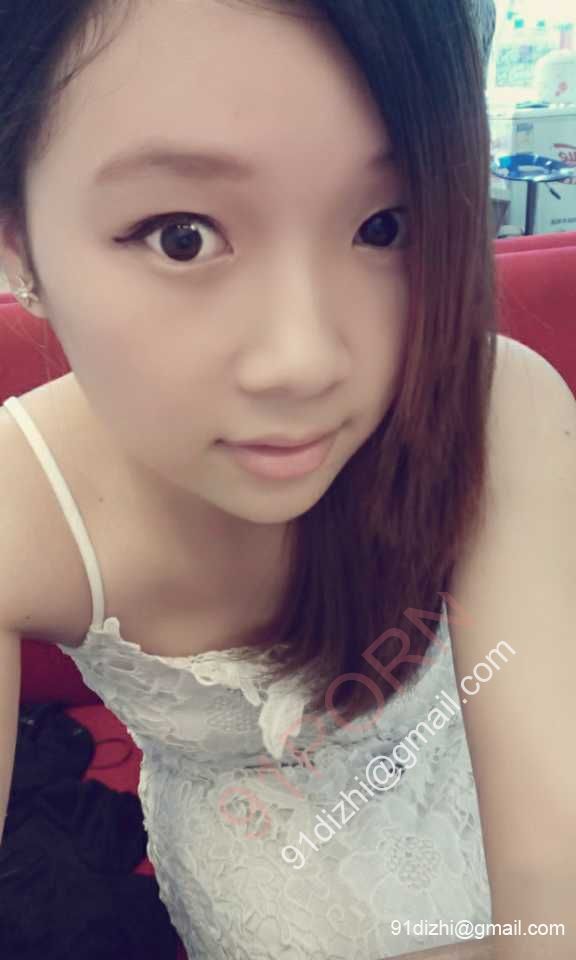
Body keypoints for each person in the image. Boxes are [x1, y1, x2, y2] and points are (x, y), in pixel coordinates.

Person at [0, 1, 574, 959]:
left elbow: (551, 908)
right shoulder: (21, 510)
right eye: (181, 235)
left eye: (385, 225)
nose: (304, 361)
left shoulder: (493, 406)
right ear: (16, 240)